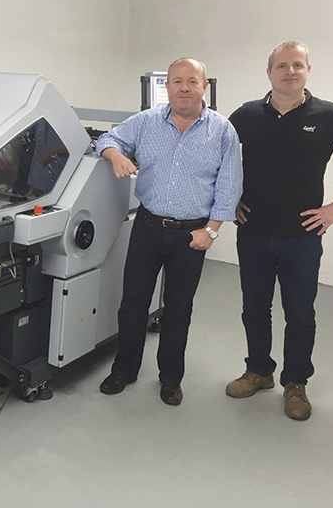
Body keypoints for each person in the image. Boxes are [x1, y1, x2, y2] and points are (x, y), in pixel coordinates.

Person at [226, 41, 333, 421]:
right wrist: (227, 200)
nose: (289, 71)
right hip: (253, 232)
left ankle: (295, 383)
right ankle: (259, 371)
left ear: (308, 69)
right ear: (269, 72)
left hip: (302, 237)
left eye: (297, 64)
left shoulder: (328, 115)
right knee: (254, 308)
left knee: (300, 313)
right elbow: (215, 155)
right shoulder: (246, 114)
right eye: (281, 65)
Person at [96, 58, 242, 406]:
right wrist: (116, 156)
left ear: (204, 86)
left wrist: (212, 231)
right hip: (147, 227)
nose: (184, 88)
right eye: (177, 81)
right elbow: (107, 138)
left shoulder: (222, 131)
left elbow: (230, 185)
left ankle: (171, 378)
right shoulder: (146, 122)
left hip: (192, 235)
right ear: (167, 86)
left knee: (178, 310)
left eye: (192, 81)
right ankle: (124, 370)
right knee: (133, 304)